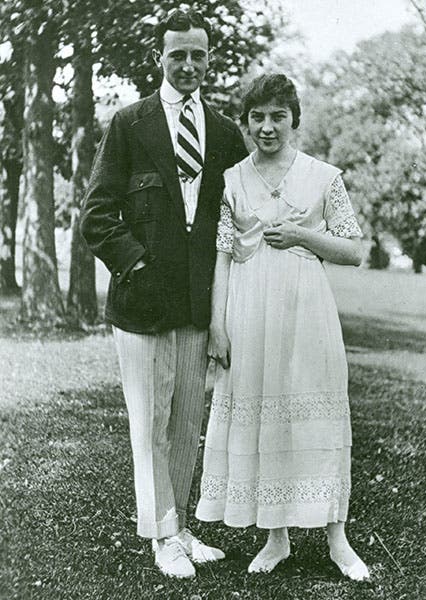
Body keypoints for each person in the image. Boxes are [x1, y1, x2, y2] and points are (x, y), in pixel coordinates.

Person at [80, 10, 248, 579]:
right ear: (160, 58)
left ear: (208, 58)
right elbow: (97, 216)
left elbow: (231, 217)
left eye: (198, 55)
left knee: (185, 422)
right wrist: (138, 264)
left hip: (199, 303)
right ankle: (161, 536)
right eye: (178, 54)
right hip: (142, 303)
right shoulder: (130, 124)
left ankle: (178, 526)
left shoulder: (224, 133)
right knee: (150, 423)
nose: (189, 65)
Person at [196, 73, 370, 581]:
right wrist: (216, 327)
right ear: (246, 123)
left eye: (278, 117)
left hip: (306, 312)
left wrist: (300, 234)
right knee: (265, 416)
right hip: (248, 313)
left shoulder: (322, 176)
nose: (267, 127)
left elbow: (353, 250)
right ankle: (277, 538)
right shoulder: (232, 179)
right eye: (257, 118)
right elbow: (224, 257)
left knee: (316, 417)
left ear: (294, 119)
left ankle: (338, 539)